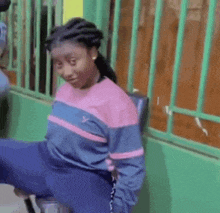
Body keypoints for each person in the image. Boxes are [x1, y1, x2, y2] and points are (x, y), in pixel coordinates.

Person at [0, 17, 146, 213]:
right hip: (46, 160)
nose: (66, 72)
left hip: (85, 176)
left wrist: (119, 208)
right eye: (59, 64)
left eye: (72, 61)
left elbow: (132, 168)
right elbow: (56, 139)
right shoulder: (65, 90)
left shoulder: (117, 103)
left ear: (92, 52)